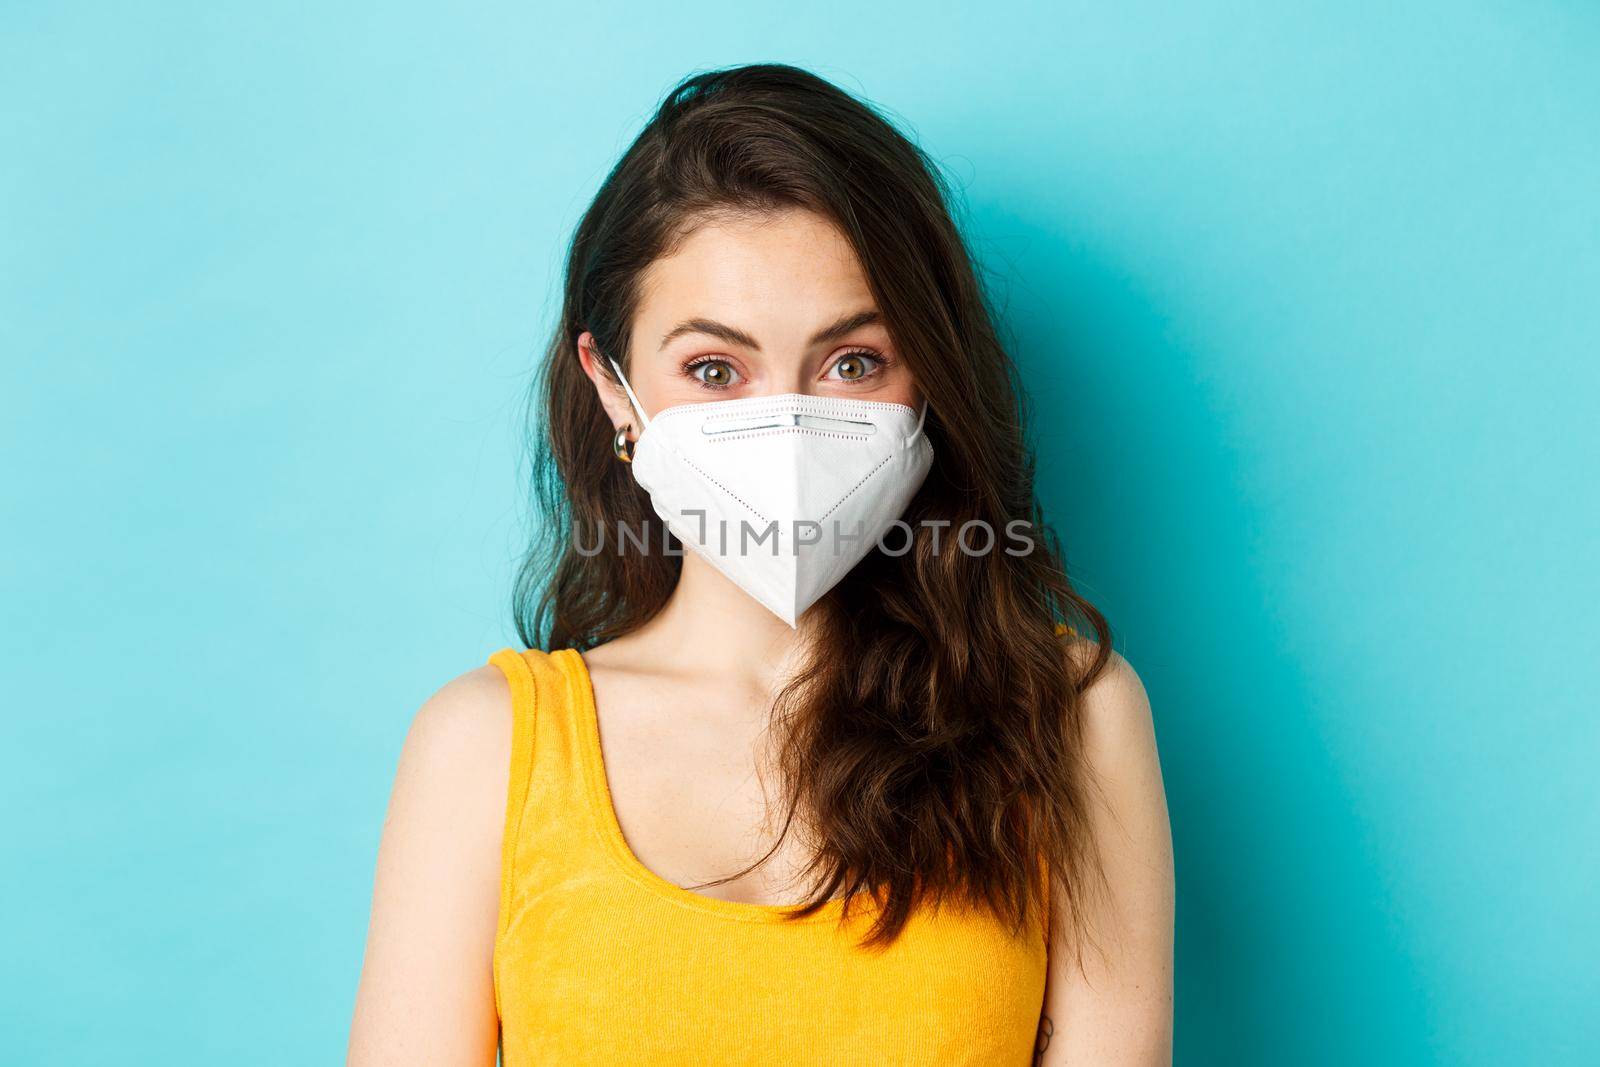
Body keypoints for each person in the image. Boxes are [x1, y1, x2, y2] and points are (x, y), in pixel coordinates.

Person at [348, 63, 1174, 1066]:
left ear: (930, 376)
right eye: (713, 369)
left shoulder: (1072, 712)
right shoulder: (482, 746)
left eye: (852, 360)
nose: (784, 422)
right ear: (612, 387)